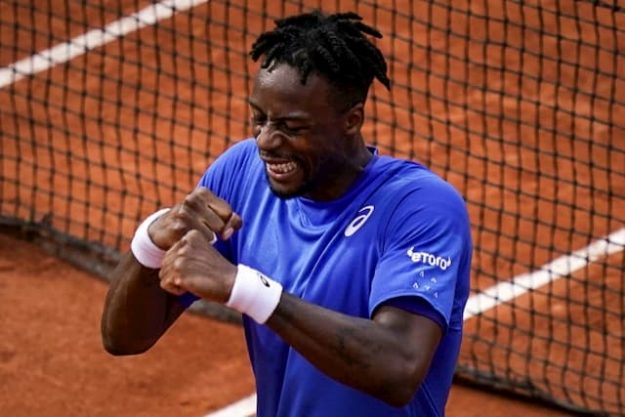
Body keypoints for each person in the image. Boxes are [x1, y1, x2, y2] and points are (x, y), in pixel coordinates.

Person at [100, 10, 472, 417]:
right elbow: (124, 338)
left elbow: (397, 367)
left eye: (292, 127)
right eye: (259, 119)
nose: (266, 141)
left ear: (352, 120)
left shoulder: (419, 206)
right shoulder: (241, 173)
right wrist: (151, 242)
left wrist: (242, 286)